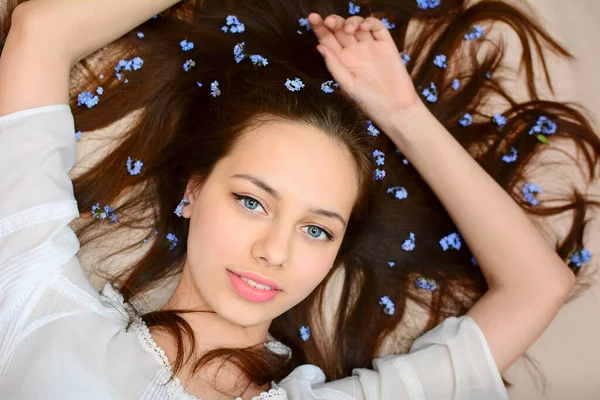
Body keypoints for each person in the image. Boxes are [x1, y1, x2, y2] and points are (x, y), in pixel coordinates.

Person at [0, 0, 598, 399]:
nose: (274, 251)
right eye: (252, 201)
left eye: (318, 230)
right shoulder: (37, 302)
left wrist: (400, 110)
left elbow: (539, 285)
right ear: (193, 192)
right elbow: (40, 33)